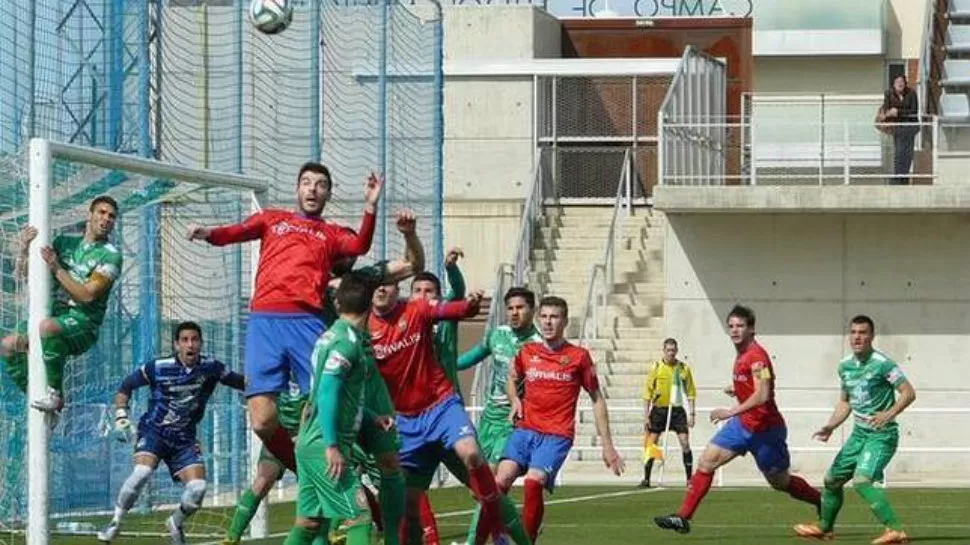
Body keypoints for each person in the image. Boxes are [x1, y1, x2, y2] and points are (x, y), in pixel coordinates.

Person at [225, 208, 423, 545]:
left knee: (389, 463)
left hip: (367, 385)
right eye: (341, 247)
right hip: (331, 387)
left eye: (350, 248)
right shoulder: (307, 287)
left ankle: (393, 538)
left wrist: (408, 234)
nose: (347, 253)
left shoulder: (359, 280)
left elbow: (412, 266)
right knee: (331, 495)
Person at [187, 163, 383, 473]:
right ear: (297, 189)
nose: (312, 189)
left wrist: (370, 206)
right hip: (265, 323)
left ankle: (373, 447)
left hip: (306, 322)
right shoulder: (272, 219)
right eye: (306, 182)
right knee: (262, 420)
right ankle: (307, 470)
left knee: (326, 402)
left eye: (320, 185)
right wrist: (209, 233)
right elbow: (237, 231)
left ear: (328, 194)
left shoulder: (330, 233)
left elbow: (360, 245)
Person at [368, 279, 522, 544]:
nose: (382, 289)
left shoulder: (422, 314)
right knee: (408, 505)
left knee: (472, 456)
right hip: (407, 422)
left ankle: (501, 532)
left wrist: (469, 303)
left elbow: (457, 308)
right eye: (418, 290)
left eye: (390, 283)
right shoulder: (363, 329)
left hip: (443, 409)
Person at [654, 305, 820, 535]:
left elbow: (763, 394)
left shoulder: (757, 358)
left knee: (780, 482)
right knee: (706, 462)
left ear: (751, 329)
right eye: (731, 326)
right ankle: (683, 517)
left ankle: (821, 501)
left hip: (766, 430)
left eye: (740, 326)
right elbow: (755, 388)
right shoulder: (742, 354)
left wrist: (729, 411)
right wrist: (738, 390)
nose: (734, 330)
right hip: (742, 426)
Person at [97, 322, 246, 545]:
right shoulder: (158, 367)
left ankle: (175, 522)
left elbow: (240, 382)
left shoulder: (211, 367)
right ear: (176, 344)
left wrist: (271, 381)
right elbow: (125, 386)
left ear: (201, 343)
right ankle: (115, 522)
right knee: (142, 473)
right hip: (154, 431)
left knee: (198, 489)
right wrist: (121, 416)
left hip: (185, 438)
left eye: (195, 339)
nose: (190, 345)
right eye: (185, 340)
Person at [492, 296, 624, 544]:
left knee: (534, 482)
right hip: (525, 430)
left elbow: (597, 398)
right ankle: (496, 537)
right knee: (499, 482)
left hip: (556, 434)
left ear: (565, 321)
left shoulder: (578, 357)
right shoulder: (527, 352)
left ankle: (527, 540)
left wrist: (608, 445)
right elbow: (512, 378)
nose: (548, 322)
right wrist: (514, 400)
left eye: (554, 317)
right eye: (544, 316)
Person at [793, 315, 915, 545]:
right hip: (858, 435)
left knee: (861, 480)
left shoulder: (883, 364)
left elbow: (909, 392)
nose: (857, 337)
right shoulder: (845, 366)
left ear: (871, 336)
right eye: (853, 332)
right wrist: (831, 425)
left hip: (882, 435)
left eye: (862, 332)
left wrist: (889, 414)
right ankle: (824, 528)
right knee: (831, 480)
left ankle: (895, 530)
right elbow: (845, 403)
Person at [283, 271, 384, 545]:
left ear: (338, 305)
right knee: (360, 516)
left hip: (309, 441)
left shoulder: (329, 336)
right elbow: (327, 393)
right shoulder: (346, 343)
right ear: (369, 307)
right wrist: (331, 445)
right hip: (322, 444)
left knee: (309, 522)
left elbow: (330, 393)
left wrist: (371, 417)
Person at [1, 195, 123, 420]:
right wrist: (24, 249)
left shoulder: (111, 255)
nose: (106, 219)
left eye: (111, 216)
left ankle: (56, 394)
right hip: (53, 316)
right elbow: (24, 275)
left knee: (48, 327)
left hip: (83, 324)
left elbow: (86, 295)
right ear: (90, 214)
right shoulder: (64, 242)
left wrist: (57, 267)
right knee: (8, 345)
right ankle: (36, 396)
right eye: (102, 213)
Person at [457, 286, 541, 545]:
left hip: (513, 422)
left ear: (532, 310)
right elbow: (472, 357)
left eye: (520, 308)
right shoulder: (497, 335)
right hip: (488, 419)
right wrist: (443, 364)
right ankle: (501, 531)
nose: (514, 313)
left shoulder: (539, 345)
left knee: (491, 483)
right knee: (480, 488)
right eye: (511, 308)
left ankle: (477, 540)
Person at [408, 251, 467, 545]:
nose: (422, 295)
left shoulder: (445, 322)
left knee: (481, 481)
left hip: (447, 416)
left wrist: (451, 268)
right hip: (417, 420)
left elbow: (459, 292)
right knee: (411, 490)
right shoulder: (402, 327)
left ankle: (506, 531)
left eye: (429, 291)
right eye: (416, 291)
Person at [640, 338, 697, 488]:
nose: (671, 353)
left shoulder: (683, 369)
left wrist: (692, 413)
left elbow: (691, 392)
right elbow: (647, 393)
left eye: (673, 350)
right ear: (664, 351)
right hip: (659, 410)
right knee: (651, 443)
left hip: (677, 410)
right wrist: (646, 415)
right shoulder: (656, 367)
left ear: (676, 351)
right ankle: (646, 478)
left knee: (685, 442)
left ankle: (689, 479)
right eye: (668, 350)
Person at [878, 74, 919, 185]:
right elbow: (886, 109)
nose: (900, 84)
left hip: (910, 126)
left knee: (907, 153)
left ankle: (904, 177)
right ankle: (898, 176)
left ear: (905, 83)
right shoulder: (889, 94)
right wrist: (886, 114)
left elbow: (913, 111)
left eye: (902, 81)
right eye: (897, 82)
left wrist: (898, 112)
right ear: (893, 84)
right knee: (899, 152)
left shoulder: (911, 93)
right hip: (898, 127)